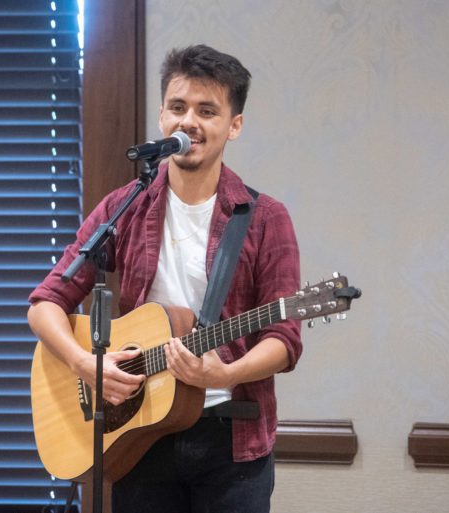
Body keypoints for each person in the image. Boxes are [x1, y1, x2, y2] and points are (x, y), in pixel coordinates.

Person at [28, 44, 302, 513]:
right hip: (140, 436)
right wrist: (83, 363)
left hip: (230, 444)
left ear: (234, 125)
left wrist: (226, 372)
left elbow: (286, 336)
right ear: (161, 117)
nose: (188, 122)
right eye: (178, 108)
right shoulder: (125, 207)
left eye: (207, 110)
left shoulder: (264, 218)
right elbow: (45, 302)